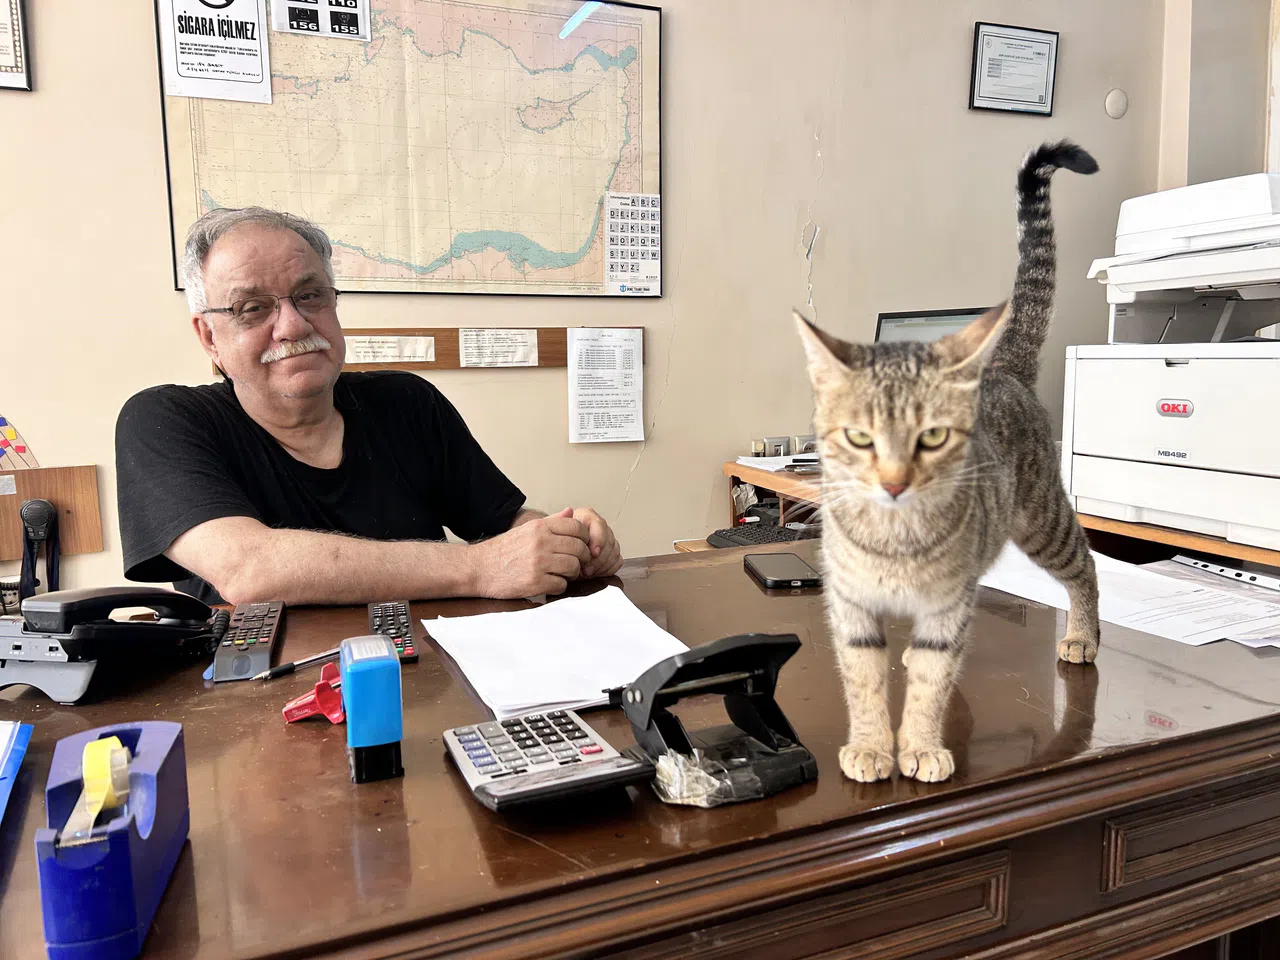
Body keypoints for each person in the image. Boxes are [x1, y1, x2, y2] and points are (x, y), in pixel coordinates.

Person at [115, 207, 622, 606]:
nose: (293, 325)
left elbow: (505, 525)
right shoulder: (162, 421)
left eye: (310, 296)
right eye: (253, 308)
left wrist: (566, 540)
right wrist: (481, 568)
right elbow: (249, 570)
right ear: (209, 337)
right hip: (266, 703)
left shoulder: (407, 401)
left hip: (433, 674)